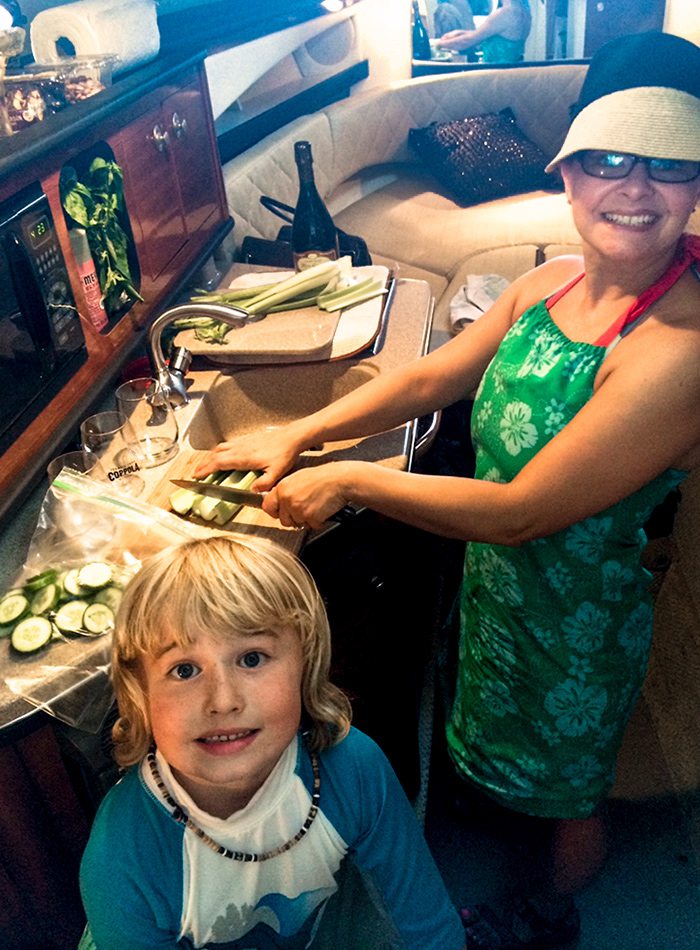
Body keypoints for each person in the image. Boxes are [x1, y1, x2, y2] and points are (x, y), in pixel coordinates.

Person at [194, 30, 700, 948]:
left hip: (584, 610)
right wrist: (301, 431)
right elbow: (433, 380)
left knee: (571, 786)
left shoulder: (679, 349)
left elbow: (524, 511)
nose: (636, 188)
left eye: (669, 166)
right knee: (518, 748)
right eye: (611, 159)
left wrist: (349, 481)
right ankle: (518, 833)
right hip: (511, 590)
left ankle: (548, 915)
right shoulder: (546, 281)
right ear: (571, 172)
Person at [79, 535, 466, 949]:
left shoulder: (354, 770)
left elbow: (429, 924)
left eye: (251, 658)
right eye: (185, 670)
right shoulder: (121, 860)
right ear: (140, 692)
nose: (223, 701)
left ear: (307, 664)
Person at [436, 0, 531, 63]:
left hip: (495, 74)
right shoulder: (523, 11)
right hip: (509, 72)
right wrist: (458, 33)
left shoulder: (505, 13)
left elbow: (467, 41)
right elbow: (480, 34)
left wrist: (437, 44)